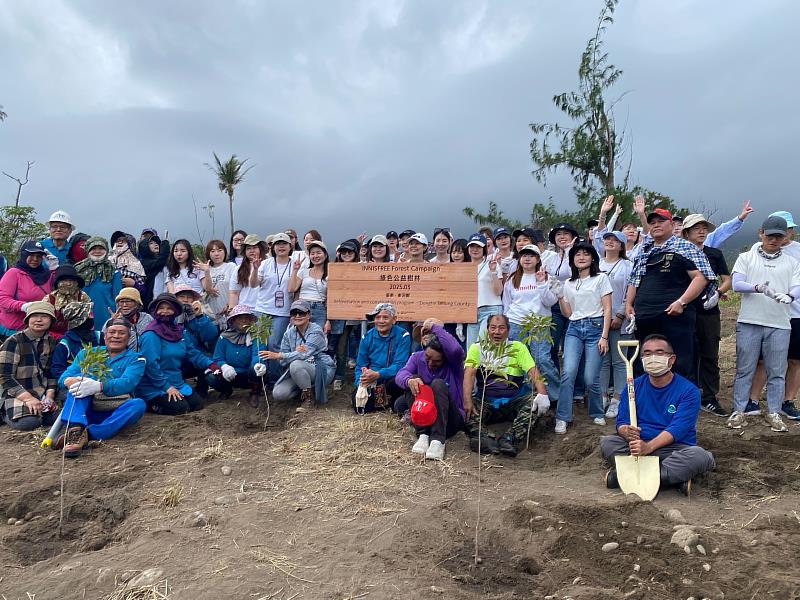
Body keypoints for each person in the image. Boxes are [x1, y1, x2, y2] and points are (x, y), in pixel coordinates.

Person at [601, 334, 716, 496]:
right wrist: (625, 431)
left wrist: (649, 447)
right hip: (638, 445)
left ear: (672, 359)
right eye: (647, 354)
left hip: (673, 448)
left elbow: (678, 429)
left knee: (700, 456)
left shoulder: (689, 391)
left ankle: (626, 476)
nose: (653, 357)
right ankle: (671, 479)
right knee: (608, 442)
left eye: (659, 352)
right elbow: (621, 421)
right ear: (641, 359)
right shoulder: (632, 387)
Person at [727, 215, 800, 433]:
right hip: (750, 320)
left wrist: (790, 296)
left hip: (779, 322)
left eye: (779, 235)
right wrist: (757, 288)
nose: (774, 240)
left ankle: (775, 412)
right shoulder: (746, 257)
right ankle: (739, 410)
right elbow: (737, 284)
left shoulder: (792, 262)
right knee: (745, 368)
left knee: (777, 370)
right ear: (761, 233)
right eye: (770, 235)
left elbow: (797, 285)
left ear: (785, 235)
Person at [624, 208, 717, 379]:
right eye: (652, 222)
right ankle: (648, 403)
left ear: (672, 224)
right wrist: (628, 303)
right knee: (644, 364)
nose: (656, 225)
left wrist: (681, 302)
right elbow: (634, 279)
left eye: (661, 221)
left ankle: (678, 403)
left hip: (674, 317)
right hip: (645, 318)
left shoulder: (685, 247)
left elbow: (701, 277)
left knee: (678, 362)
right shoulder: (644, 249)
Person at [56, 317, 147, 458]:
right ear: (104, 336)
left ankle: (90, 433)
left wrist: (99, 386)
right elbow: (63, 378)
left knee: (138, 405)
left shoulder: (137, 359)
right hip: (86, 410)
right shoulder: (87, 353)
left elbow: (128, 382)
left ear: (129, 337)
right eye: (112, 332)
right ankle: (76, 429)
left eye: (121, 333)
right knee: (78, 386)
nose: (116, 336)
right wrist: (72, 381)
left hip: (115, 409)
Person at [463, 314, 550, 457]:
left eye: (501, 328)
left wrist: (543, 394)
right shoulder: (477, 348)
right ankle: (485, 439)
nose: (497, 332)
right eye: (493, 328)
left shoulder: (518, 347)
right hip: (486, 401)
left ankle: (509, 438)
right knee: (468, 410)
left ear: (508, 330)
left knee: (534, 402)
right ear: (487, 329)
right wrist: (467, 400)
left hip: (514, 400)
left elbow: (532, 371)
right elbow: (469, 374)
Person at [553, 242, 612, 434]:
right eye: (577, 254)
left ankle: (596, 412)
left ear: (593, 257)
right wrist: (560, 296)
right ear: (572, 260)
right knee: (568, 372)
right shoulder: (569, 283)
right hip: (574, 328)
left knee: (590, 377)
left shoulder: (601, 278)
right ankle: (562, 417)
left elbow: (608, 309)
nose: (581, 257)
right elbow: (568, 313)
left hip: (596, 328)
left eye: (586, 254)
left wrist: (604, 336)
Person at [746, 210, 800, 420]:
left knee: (794, 360)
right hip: (766, 312)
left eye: (788, 229)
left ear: (791, 231)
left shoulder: (798, 251)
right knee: (762, 360)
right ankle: (753, 399)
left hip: (795, 313)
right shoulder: (756, 249)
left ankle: (787, 401)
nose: (784, 234)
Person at [681, 214, 731, 417]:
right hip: (684, 310)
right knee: (687, 354)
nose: (701, 231)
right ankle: (688, 395)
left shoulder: (714, 253)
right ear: (686, 232)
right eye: (696, 228)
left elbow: (727, 279)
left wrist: (718, 293)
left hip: (709, 311)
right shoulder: (679, 253)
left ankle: (709, 397)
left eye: (704, 228)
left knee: (710, 353)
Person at [395, 319, 466, 460]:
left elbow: (455, 350)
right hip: (425, 418)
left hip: (449, 420)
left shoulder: (454, 364)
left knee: (438, 384)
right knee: (413, 380)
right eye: (427, 358)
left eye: (437, 361)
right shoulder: (417, 357)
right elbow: (401, 375)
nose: (430, 363)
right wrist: (409, 381)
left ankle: (438, 440)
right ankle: (423, 434)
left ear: (445, 358)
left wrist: (434, 327)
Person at [137, 293, 215, 415]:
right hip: (154, 384)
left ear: (176, 311)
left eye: (169, 308)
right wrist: (167, 387)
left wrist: (211, 364)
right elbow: (150, 364)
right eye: (161, 308)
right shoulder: (151, 334)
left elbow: (193, 353)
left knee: (197, 404)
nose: (165, 311)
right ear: (155, 310)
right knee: (180, 408)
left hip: (175, 380)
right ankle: (149, 405)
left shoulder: (179, 331)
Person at [502, 244, 560, 402]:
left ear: (538, 259)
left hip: (539, 324)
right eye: (524, 255)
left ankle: (555, 396)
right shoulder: (513, 279)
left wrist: (541, 284)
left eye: (531, 255)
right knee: (520, 361)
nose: (527, 259)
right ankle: (528, 396)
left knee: (542, 359)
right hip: (516, 323)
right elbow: (507, 304)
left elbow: (550, 302)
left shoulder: (547, 277)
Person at [260, 300, 334, 412]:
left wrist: (282, 355)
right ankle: (306, 389)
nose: (298, 316)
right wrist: (295, 353)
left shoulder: (316, 330)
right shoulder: (288, 333)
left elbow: (304, 354)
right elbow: (283, 363)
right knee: (279, 393)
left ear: (309, 315)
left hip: (321, 368)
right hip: (299, 369)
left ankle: (309, 399)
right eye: (294, 313)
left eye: (302, 313)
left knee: (296, 364)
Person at [0, 302, 58, 430]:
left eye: (44, 316)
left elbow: (51, 373)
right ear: (27, 320)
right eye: (34, 316)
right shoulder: (14, 341)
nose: (38, 320)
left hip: (41, 392)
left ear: (51, 321)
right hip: (15, 393)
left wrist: (49, 396)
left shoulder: (51, 342)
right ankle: (3, 413)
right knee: (29, 423)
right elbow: (4, 376)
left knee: (57, 418)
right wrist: (29, 399)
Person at [597, 230, 634, 419]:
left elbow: (630, 291)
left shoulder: (627, 265)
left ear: (622, 245)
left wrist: (619, 314)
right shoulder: (597, 263)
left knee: (620, 361)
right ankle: (602, 396)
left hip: (622, 320)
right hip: (600, 319)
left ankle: (618, 399)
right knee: (603, 360)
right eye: (607, 239)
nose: (610, 242)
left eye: (615, 240)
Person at [353, 302, 411, 412]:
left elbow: (400, 365)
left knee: (397, 384)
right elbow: (360, 365)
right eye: (377, 317)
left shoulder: (403, 336)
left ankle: (389, 402)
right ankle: (382, 402)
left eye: (385, 317)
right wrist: (361, 382)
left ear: (394, 319)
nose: (381, 321)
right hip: (372, 380)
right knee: (359, 407)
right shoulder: (366, 337)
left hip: (391, 378)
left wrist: (379, 374)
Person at [253, 232, 294, 384]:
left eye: (284, 243)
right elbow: (253, 284)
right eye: (278, 243)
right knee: (260, 344)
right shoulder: (265, 263)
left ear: (291, 246)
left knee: (274, 344)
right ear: (272, 247)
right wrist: (255, 269)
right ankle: (260, 379)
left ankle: (275, 380)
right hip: (263, 309)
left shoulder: (295, 263)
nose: (281, 246)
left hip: (283, 312)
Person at [206, 304, 265, 406]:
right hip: (230, 375)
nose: (244, 321)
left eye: (246, 318)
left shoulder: (256, 336)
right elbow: (217, 357)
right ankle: (226, 390)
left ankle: (255, 392)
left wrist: (256, 364)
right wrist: (224, 367)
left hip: (247, 374)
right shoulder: (224, 337)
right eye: (240, 318)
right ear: (233, 321)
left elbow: (258, 355)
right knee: (210, 377)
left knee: (256, 367)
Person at [0, 241, 53, 340]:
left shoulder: (47, 275)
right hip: (13, 332)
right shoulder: (14, 273)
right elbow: (2, 299)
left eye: (39, 256)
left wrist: (55, 271)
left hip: (39, 331)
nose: (35, 259)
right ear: (24, 255)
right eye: (31, 255)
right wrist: (23, 306)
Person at [174, 284, 219, 398]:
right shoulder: (169, 316)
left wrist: (199, 316)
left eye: (189, 297)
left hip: (195, 357)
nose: (185, 300)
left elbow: (211, 335)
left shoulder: (196, 317)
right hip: (176, 359)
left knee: (207, 357)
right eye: (182, 297)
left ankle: (202, 390)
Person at [543, 222, 579, 367]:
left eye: (565, 234)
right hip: (556, 305)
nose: (562, 237)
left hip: (574, 305)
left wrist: (570, 250)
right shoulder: (552, 258)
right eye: (558, 234)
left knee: (571, 346)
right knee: (552, 343)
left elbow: (574, 274)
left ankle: (575, 384)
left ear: (572, 237)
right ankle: (556, 380)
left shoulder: (578, 254)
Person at [329, 239, 363, 391]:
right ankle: (339, 376)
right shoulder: (334, 269)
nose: (347, 254)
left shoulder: (362, 269)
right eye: (344, 252)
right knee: (339, 347)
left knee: (360, 345)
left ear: (355, 253)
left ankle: (358, 376)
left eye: (350, 252)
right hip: (339, 314)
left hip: (358, 313)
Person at [74, 237, 123, 338]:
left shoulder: (113, 271)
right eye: (93, 248)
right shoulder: (78, 270)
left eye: (101, 248)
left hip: (106, 315)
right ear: (88, 250)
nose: (97, 251)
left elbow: (118, 296)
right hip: (82, 315)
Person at [465, 233, 503, 349]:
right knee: (471, 349)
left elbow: (498, 291)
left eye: (478, 247)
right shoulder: (464, 268)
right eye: (472, 246)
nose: (475, 250)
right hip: (472, 312)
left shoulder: (492, 264)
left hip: (491, 309)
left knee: (484, 347)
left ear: (485, 248)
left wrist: (493, 272)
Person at [288, 239, 330, 331]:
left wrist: (328, 320)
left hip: (320, 309)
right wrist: (295, 269)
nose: (315, 256)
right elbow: (291, 288)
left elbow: (330, 299)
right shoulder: (304, 272)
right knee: (297, 337)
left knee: (316, 339)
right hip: (301, 308)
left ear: (325, 254)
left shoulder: (330, 274)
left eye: (318, 253)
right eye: (312, 253)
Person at [51, 301, 96, 383]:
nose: (92, 317)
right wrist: (74, 379)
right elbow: (57, 370)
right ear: (82, 320)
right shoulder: (65, 344)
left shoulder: (100, 336)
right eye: (89, 315)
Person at [42, 265, 90, 337]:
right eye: (64, 280)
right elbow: (43, 318)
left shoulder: (82, 296)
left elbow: (89, 315)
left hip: (78, 336)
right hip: (54, 336)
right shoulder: (50, 298)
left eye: (71, 280)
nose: (68, 283)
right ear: (58, 282)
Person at [201, 239, 237, 329]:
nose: (216, 254)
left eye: (219, 250)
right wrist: (206, 271)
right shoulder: (205, 269)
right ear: (208, 254)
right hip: (212, 313)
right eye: (212, 251)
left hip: (229, 310)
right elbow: (207, 289)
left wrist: (229, 304)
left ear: (225, 251)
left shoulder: (231, 266)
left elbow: (236, 288)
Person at [228, 234, 267, 311]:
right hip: (245, 310)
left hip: (265, 309)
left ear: (260, 249)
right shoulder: (239, 269)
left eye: (255, 247)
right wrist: (231, 310)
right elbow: (234, 292)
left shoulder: (269, 265)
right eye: (248, 248)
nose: (252, 251)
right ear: (245, 252)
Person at [137, 233, 170, 308]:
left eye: (156, 243)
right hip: (150, 303)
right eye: (151, 243)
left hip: (165, 300)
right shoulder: (143, 263)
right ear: (144, 247)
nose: (155, 245)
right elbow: (159, 262)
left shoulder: (165, 263)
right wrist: (165, 245)